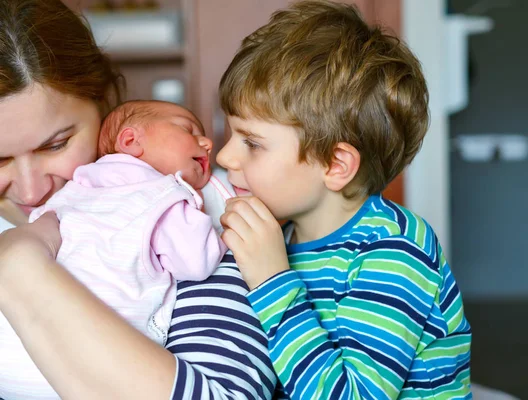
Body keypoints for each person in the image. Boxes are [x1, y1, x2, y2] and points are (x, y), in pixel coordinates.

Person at [0, 1, 276, 399]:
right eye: (1, 158)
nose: (30, 191)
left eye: (57, 144)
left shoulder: (185, 206)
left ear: (104, 104)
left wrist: (20, 267)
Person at [216, 1, 472, 399]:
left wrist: (271, 280)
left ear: (335, 165)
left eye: (252, 142)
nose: (224, 156)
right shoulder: (280, 234)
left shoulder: (394, 251)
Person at [0, 100, 234, 398]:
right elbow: (197, 260)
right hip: (96, 367)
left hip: (11, 363)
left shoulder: (78, 188)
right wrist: (223, 231)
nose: (208, 143)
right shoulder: (165, 193)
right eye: (187, 129)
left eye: (56, 144)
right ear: (130, 140)